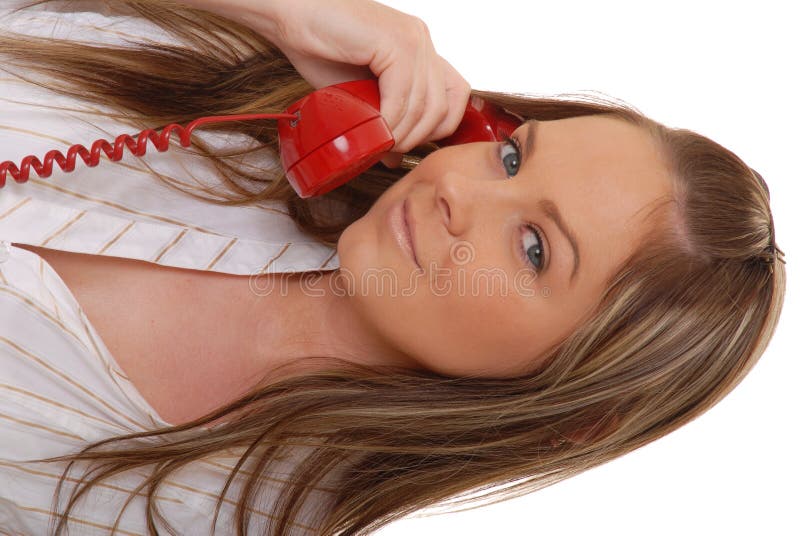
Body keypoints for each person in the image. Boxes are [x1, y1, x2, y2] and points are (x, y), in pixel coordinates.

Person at [0, 0, 786, 535]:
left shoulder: (216, 512)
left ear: (573, 407)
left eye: (535, 247)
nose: (457, 188)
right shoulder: (235, 88)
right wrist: (282, 9)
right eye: (510, 156)